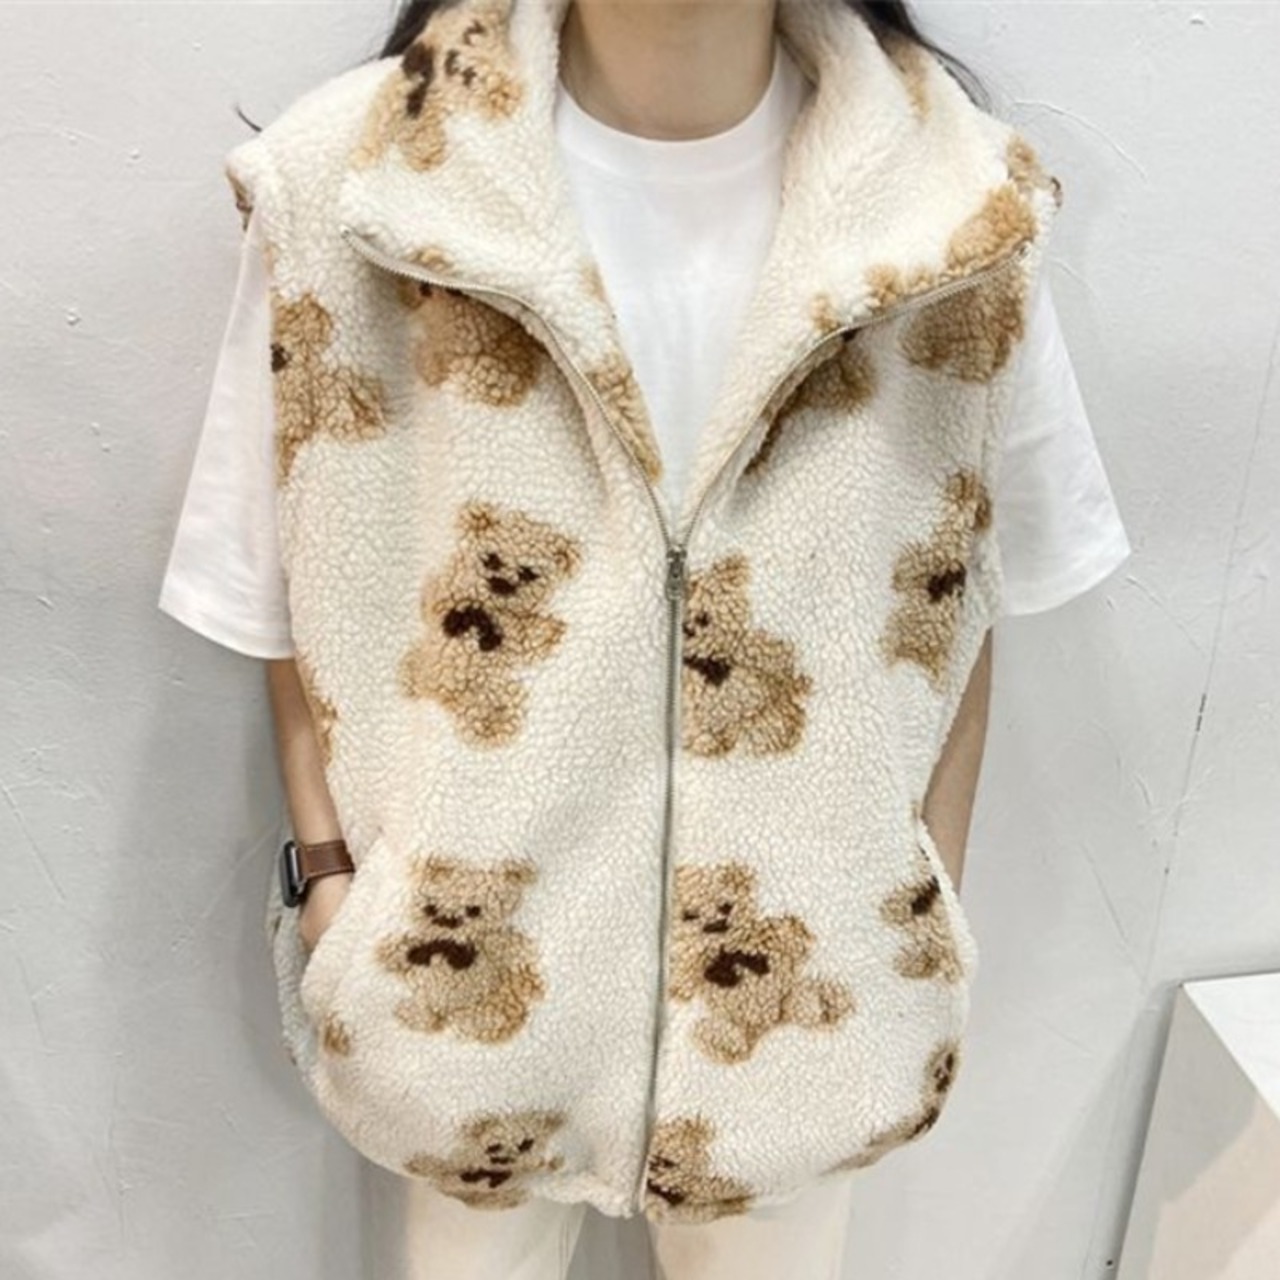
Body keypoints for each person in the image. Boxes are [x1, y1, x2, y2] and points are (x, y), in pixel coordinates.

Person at [158, 0, 1131, 1275]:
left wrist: (914, 903)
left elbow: (961, 584)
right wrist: (337, 886)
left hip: (799, 1010)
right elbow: (279, 585)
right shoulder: (356, 192)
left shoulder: (953, 212)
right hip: (459, 995)